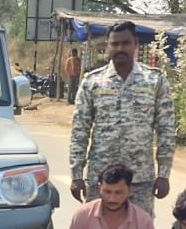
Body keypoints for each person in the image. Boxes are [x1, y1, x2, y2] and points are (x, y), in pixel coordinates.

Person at [69, 21, 176, 218]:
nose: (120, 48)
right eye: (114, 44)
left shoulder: (154, 80)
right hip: (101, 180)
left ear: (136, 44)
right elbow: (79, 130)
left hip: (140, 180)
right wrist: (76, 175)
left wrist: (164, 174)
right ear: (107, 45)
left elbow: (166, 129)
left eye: (125, 43)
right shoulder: (92, 82)